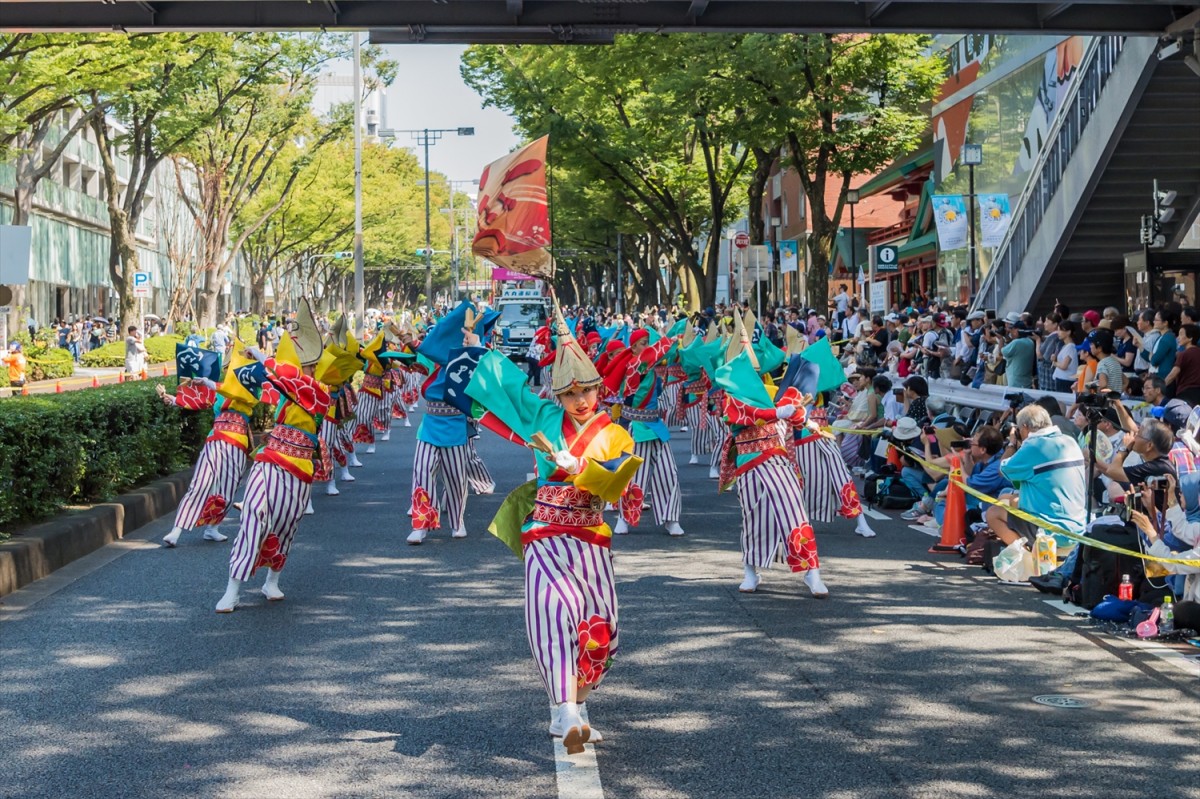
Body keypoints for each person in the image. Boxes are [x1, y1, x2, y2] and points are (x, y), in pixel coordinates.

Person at [463, 313, 642, 753]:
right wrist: (478, 347)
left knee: (604, 629)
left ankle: (576, 704)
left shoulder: (615, 433)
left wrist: (580, 467)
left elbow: (617, 480)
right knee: (552, 609)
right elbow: (509, 392)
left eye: (586, 390)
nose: (580, 400)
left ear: (600, 389)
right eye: (569, 393)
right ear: (558, 395)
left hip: (591, 538)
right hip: (545, 531)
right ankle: (564, 709)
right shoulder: (544, 414)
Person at [216, 306, 332, 613]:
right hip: (269, 459)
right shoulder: (287, 385)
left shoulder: (318, 390)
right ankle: (233, 588)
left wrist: (261, 355)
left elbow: (285, 378)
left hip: (300, 465)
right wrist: (244, 358)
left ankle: (271, 580)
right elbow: (257, 384)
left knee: (285, 525)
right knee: (253, 514)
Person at [714, 332, 828, 599]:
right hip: (748, 461)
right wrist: (778, 412)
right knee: (754, 516)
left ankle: (812, 571)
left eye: (755, 369)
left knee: (794, 509)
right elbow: (742, 416)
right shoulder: (731, 397)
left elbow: (789, 410)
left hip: (775, 456)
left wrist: (801, 416)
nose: (754, 373)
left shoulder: (766, 390)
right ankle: (751, 570)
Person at [157, 347, 265, 547]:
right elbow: (200, 401)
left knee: (227, 488)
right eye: (229, 366)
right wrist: (173, 400)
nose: (229, 369)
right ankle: (176, 530)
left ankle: (212, 528)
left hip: (237, 441)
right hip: (215, 438)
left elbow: (233, 392)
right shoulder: (221, 389)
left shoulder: (250, 387)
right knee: (200, 482)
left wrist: (210, 383)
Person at [604, 328, 685, 537]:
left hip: (656, 428)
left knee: (669, 474)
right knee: (633, 476)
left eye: (649, 342)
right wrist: (671, 339)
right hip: (637, 428)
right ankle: (623, 517)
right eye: (643, 343)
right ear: (633, 348)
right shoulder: (634, 366)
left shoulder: (651, 367)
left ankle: (671, 519)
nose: (647, 346)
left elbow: (664, 360)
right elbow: (653, 355)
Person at [986, 405, 1087, 547]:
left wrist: (1012, 443)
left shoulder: (1034, 446)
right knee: (1008, 498)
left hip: (1051, 529)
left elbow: (1002, 470)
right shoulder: (1069, 441)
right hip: (1079, 526)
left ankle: (1026, 556)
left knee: (993, 513)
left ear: (1025, 428)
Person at [1166, 323, 1200, 405]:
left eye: (1181, 334)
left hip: (1186, 393)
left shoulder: (1184, 354)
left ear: (1190, 337)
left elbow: (1173, 374)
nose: (1178, 338)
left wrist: (1160, 386)